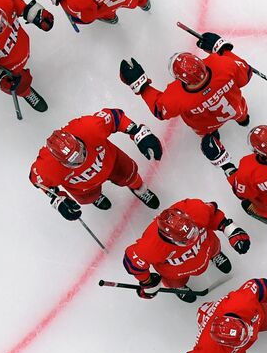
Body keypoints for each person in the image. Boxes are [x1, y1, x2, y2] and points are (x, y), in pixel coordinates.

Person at [29, 109, 161, 221]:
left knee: (131, 175)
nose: (81, 159)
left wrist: (138, 133)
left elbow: (116, 117)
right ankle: (95, 197)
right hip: (85, 188)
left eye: (80, 150)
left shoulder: (89, 128)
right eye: (73, 161)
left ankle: (139, 189)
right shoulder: (46, 167)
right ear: (60, 161)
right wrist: (57, 198)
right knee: (89, 198)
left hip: (112, 161)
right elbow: (38, 182)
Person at [119, 31, 253, 138]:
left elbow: (159, 111)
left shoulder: (176, 96)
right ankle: (243, 120)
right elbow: (246, 74)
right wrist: (222, 49)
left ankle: (213, 135)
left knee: (206, 132)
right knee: (240, 112)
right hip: (235, 108)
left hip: (204, 126)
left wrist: (142, 86)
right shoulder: (222, 64)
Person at [122, 199, 250, 299]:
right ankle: (179, 287)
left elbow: (212, 214)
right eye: (186, 241)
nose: (193, 240)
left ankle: (215, 256)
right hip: (176, 272)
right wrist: (147, 282)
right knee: (175, 282)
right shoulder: (150, 246)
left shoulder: (194, 209)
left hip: (207, 246)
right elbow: (133, 263)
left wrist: (229, 229)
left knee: (214, 248)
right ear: (169, 239)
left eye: (193, 232)